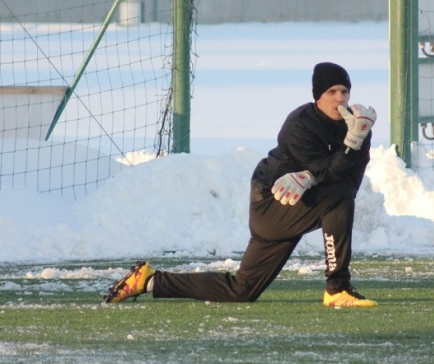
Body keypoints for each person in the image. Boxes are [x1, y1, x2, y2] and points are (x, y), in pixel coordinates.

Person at [104, 62, 378, 307]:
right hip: (272, 202)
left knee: (241, 290)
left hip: (306, 203)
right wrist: (348, 147)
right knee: (338, 195)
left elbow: (351, 181)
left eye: (344, 91)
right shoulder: (300, 125)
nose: (339, 98)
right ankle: (337, 288)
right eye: (331, 92)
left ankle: (149, 281)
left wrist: (354, 140)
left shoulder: (357, 125)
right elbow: (332, 175)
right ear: (318, 96)